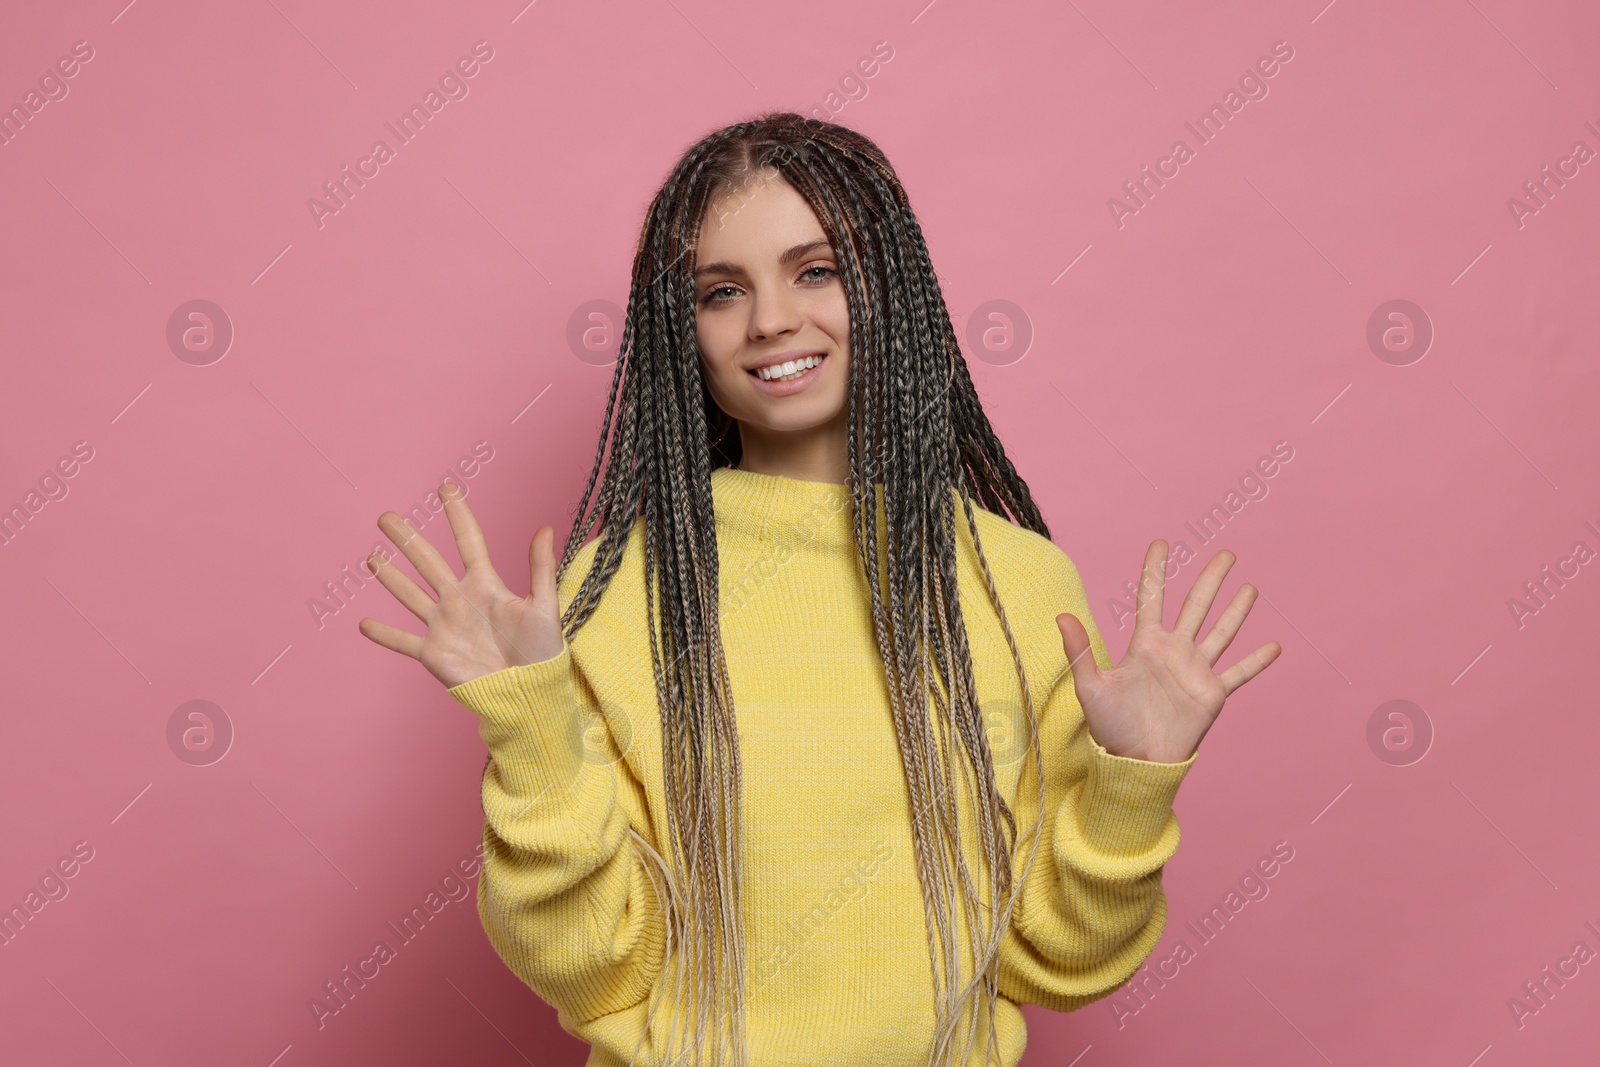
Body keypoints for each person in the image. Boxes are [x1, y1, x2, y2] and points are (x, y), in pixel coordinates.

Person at [358, 112, 1281, 1067]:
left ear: (889, 289)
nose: (769, 320)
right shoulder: (614, 589)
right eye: (723, 291)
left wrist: (1133, 786)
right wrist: (530, 728)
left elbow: (1059, 963)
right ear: (685, 333)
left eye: (816, 270)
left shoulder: (1015, 581)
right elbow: (594, 970)